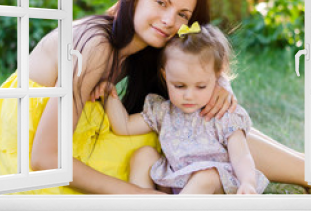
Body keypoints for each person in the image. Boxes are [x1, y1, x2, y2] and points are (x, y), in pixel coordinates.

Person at [0, 0, 311, 195]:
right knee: (198, 126)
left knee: (206, 119)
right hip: (37, 171)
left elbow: (190, 71)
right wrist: (147, 203)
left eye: (182, 15)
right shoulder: (95, 45)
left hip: (84, 142)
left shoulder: (142, 45)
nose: (168, 21)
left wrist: (220, 88)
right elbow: (45, 158)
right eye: (160, 2)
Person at [105, 23, 270, 194]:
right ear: (165, 75)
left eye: (200, 87)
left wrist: (247, 182)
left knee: (206, 176)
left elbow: (241, 155)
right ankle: (145, 202)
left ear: (217, 77)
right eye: (179, 86)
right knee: (143, 154)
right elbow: (124, 126)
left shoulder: (224, 114)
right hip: (175, 181)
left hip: (214, 187)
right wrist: (109, 93)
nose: (189, 95)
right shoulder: (162, 111)